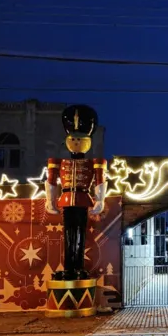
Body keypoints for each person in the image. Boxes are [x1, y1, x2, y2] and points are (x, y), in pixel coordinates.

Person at [45, 105, 106, 281]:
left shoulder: (95, 162)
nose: (77, 142)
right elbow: (51, 181)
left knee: (80, 233)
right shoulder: (57, 161)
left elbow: (100, 181)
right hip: (66, 200)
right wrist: (51, 200)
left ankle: (77, 266)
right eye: (74, 138)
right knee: (68, 235)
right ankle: (69, 267)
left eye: (81, 139)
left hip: (83, 199)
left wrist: (99, 200)